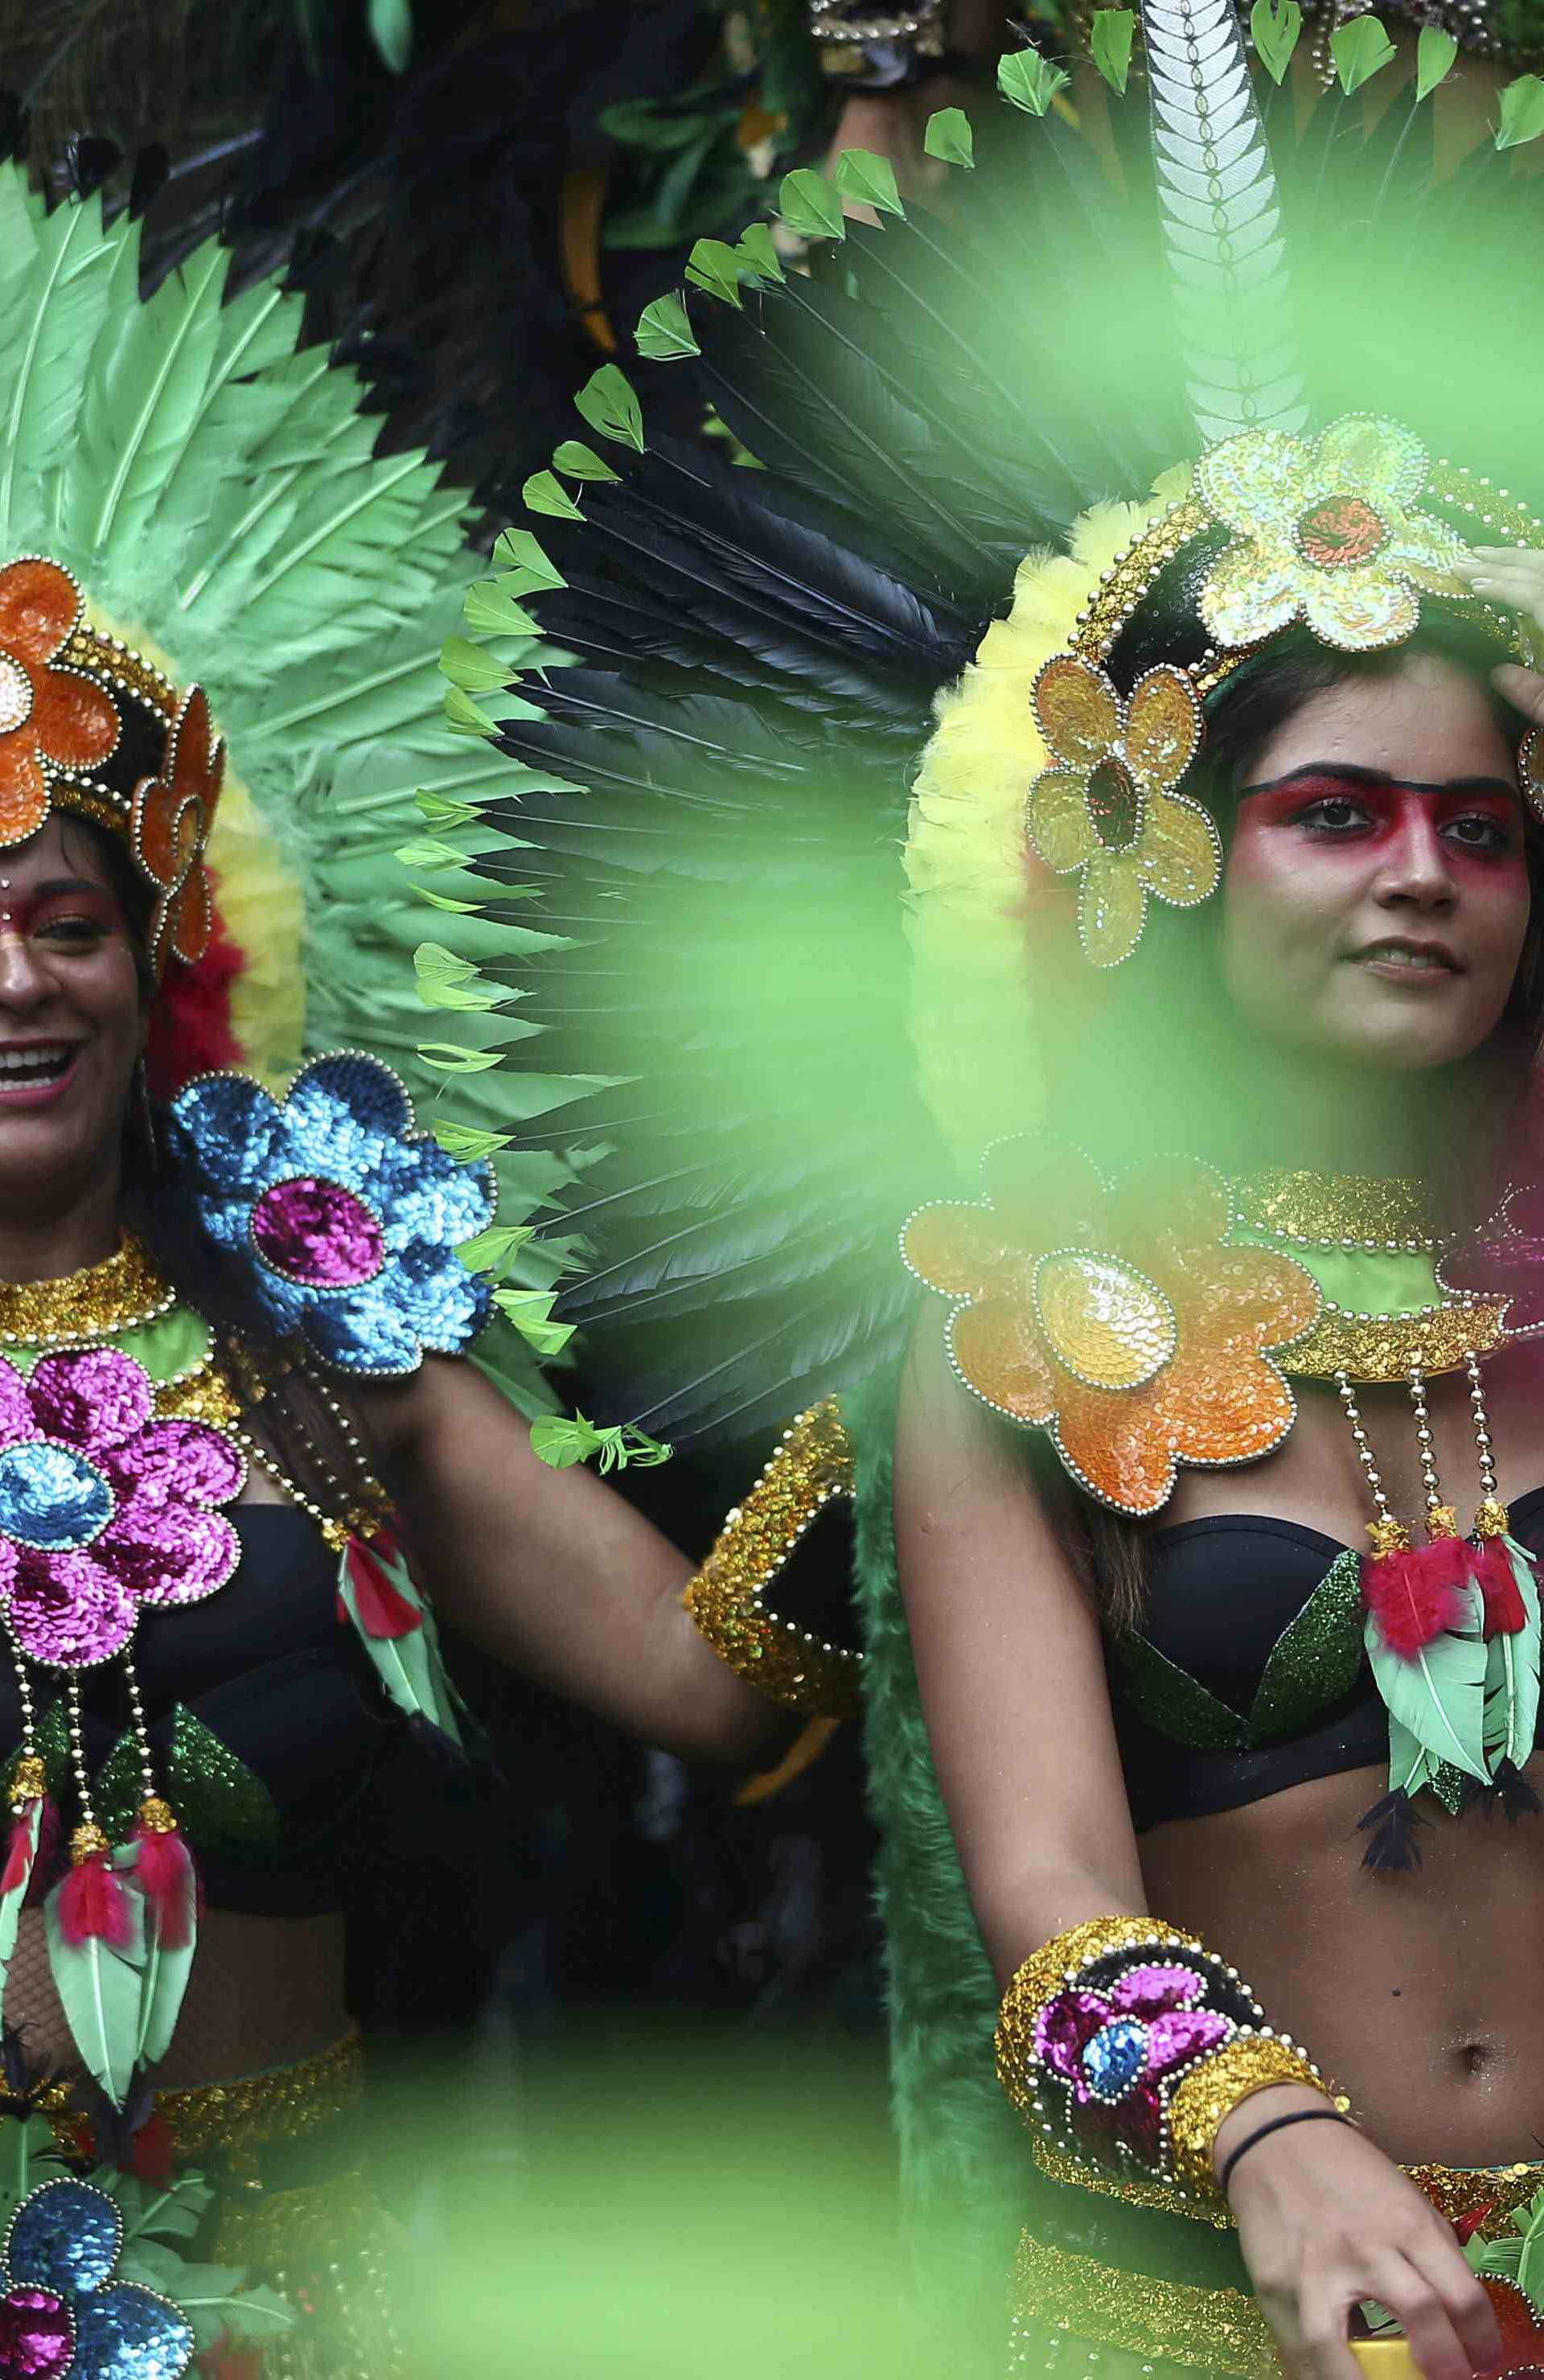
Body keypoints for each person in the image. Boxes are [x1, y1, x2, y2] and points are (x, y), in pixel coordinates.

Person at [474, 0, 1544, 2370]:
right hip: (1216, 2294)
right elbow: (1049, 1893)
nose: (1424, 879)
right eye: (1337, 815)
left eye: (1483, 826)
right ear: (1171, 860)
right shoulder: (1029, 1333)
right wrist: (1279, 2145)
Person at [0, 156, 795, 2380]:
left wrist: (895, 1344)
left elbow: (715, 1686)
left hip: (287, 2305)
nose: (18, 979)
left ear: (164, 963)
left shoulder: (306, 1334)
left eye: (67, 919)